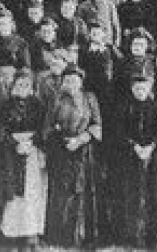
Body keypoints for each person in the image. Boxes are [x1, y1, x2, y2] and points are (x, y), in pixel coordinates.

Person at [43, 63, 102, 247]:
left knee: (82, 191)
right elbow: (46, 128)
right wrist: (60, 137)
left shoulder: (89, 98)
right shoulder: (56, 99)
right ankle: (60, 237)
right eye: (67, 80)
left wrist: (81, 139)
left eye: (75, 80)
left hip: (83, 151)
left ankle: (81, 237)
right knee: (62, 193)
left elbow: (97, 125)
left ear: (81, 82)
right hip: (61, 152)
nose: (71, 84)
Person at [0, 68, 47, 249]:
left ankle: (31, 234)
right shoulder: (6, 106)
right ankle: (12, 233)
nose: (23, 87)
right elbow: (0, 131)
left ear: (32, 87)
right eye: (19, 84)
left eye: (26, 85)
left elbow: (44, 129)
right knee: (13, 193)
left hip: (32, 152)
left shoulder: (38, 105)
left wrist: (31, 142)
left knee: (32, 193)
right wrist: (15, 143)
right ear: (14, 86)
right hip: (11, 153)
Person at [116, 70, 157, 247]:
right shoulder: (125, 108)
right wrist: (134, 146)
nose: (140, 92)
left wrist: (151, 147)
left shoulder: (155, 108)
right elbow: (120, 132)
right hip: (130, 156)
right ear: (132, 89)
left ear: (149, 89)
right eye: (137, 89)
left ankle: (154, 237)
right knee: (133, 195)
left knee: (155, 196)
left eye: (143, 89)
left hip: (153, 158)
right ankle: (133, 236)